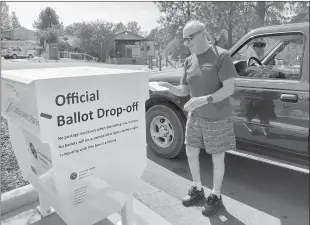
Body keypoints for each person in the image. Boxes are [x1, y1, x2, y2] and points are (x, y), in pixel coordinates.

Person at [159, 20, 237, 216]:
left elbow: (229, 89)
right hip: (196, 116)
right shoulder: (189, 61)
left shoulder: (222, 56)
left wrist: (204, 99)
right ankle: (197, 188)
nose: (186, 42)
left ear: (203, 34)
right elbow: (184, 89)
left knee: (217, 157)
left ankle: (216, 196)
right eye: (184, 39)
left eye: (190, 38)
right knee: (191, 152)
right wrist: (167, 87)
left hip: (217, 117)